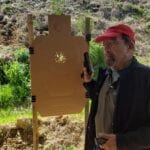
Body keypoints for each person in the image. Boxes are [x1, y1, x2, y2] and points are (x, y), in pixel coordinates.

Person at [83, 24, 150, 150]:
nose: (106, 48)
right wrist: (89, 82)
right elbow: (102, 100)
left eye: (112, 43)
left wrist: (121, 142)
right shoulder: (106, 74)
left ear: (130, 46)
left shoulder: (146, 78)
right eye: (104, 44)